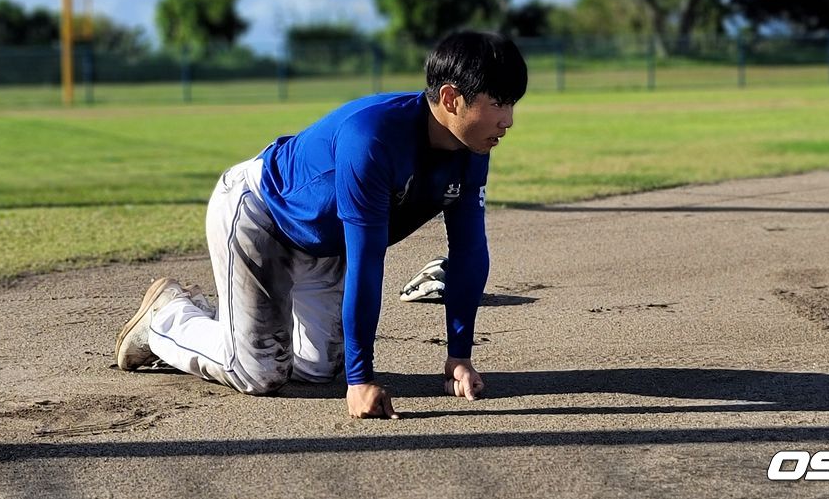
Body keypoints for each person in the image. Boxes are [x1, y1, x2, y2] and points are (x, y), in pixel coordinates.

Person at [115, 30, 528, 419]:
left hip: (325, 240)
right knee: (261, 374)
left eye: (513, 104)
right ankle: (166, 319)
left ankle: (238, 327)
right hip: (262, 214)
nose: (508, 120)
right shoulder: (374, 139)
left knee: (314, 370)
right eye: (498, 103)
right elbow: (367, 263)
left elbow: (469, 252)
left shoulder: (472, 148)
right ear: (451, 98)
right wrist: (361, 380)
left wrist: (459, 356)